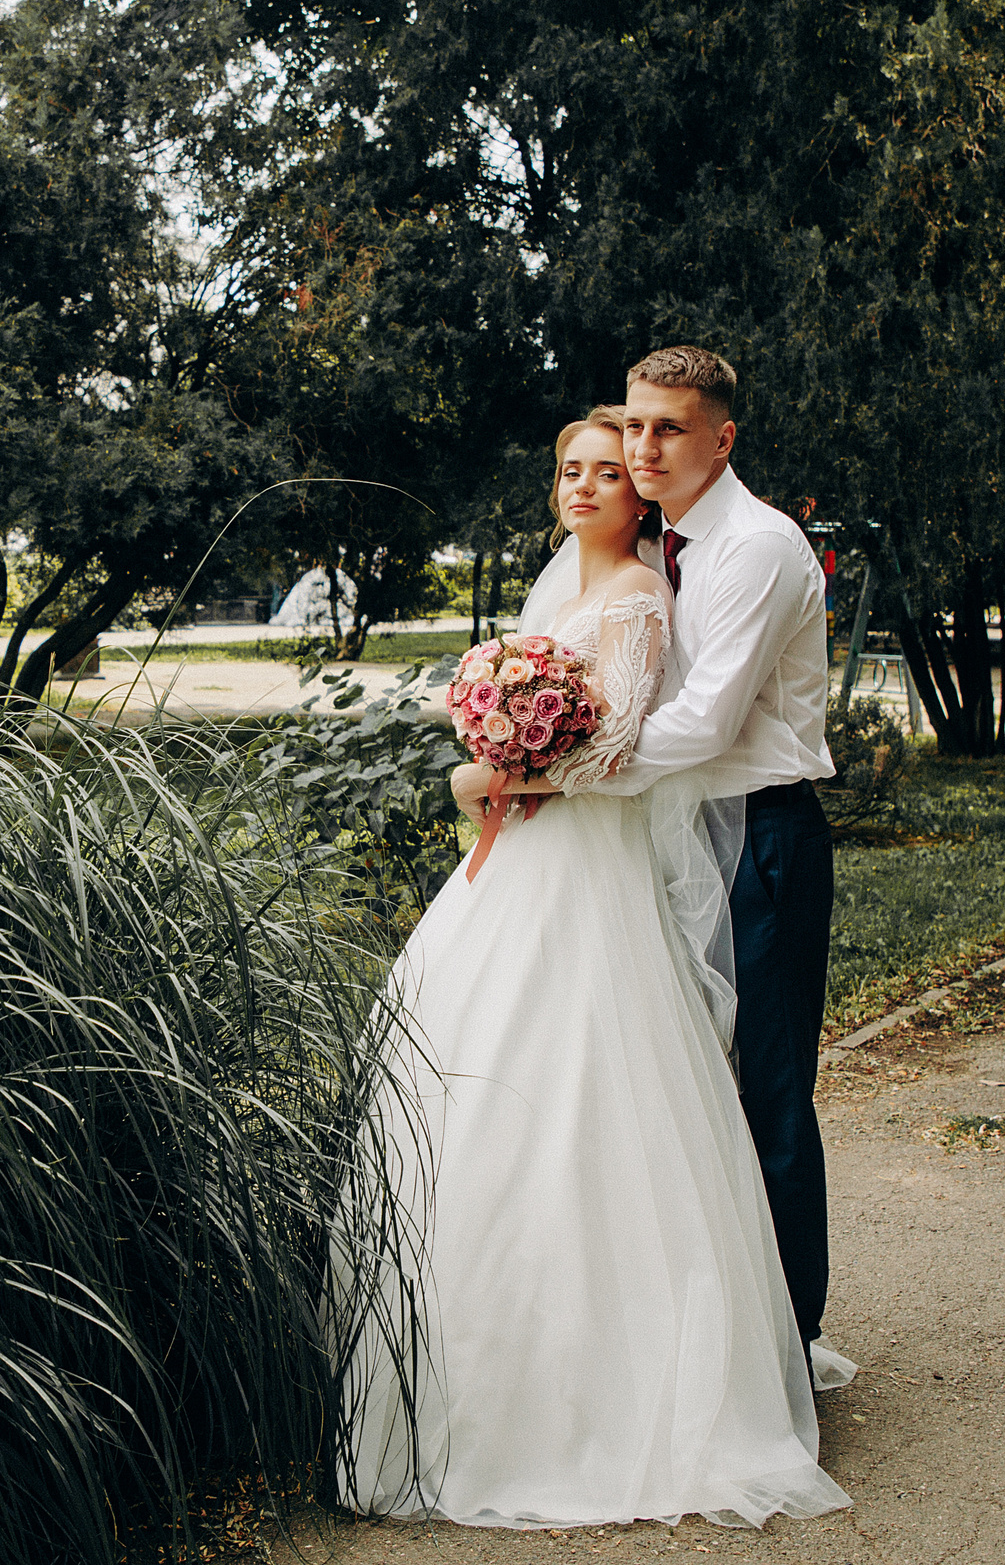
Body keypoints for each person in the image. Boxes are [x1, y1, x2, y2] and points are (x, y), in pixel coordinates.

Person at [334, 409, 847, 1532]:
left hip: (586, 860)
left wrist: (499, 772)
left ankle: (632, 1379)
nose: (585, 485)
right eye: (569, 467)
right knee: (465, 1070)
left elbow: (618, 741)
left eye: (608, 472)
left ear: (642, 492)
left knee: (589, 1082)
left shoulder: (641, 598)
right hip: (524, 856)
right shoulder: (554, 578)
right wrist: (495, 746)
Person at [470, 346, 842, 1362]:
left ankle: (788, 1349)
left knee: (765, 1092)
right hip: (675, 836)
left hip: (760, 834)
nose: (642, 446)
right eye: (634, 424)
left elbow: (704, 725)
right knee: (675, 1088)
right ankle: (701, 1328)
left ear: (721, 437)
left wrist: (548, 773)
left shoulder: (755, 549)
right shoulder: (667, 546)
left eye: (668, 427)